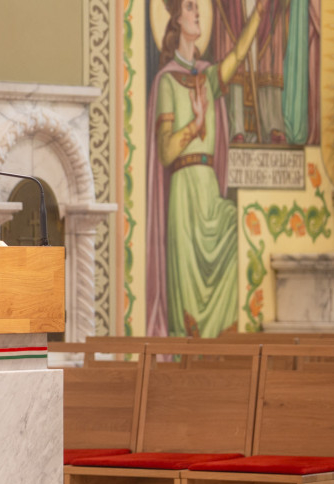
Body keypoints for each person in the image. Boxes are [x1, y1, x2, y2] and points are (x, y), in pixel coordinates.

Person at [146, 0, 265, 338]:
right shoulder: (167, 82)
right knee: (188, 302)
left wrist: (258, 12)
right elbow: (166, 152)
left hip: (209, 188)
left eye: (198, 7)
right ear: (175, 19)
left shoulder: (208, 76)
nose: (197, 12)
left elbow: (238, 55)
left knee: (233, 228)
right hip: (185, 194)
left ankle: (219, 350)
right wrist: (195, 125)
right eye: (190, 7)